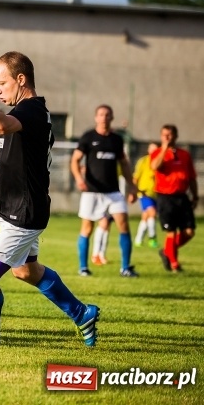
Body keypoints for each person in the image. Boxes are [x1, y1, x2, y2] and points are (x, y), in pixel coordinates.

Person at [0, 51, 99, 347]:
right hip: (18, 209)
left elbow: (1, 125)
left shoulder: (30, 110)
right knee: (26, 270)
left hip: (24, 213)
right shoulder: (25, 113)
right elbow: (24, 157)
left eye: (1, 83)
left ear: (21, 79)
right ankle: (83, 314)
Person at [70, 105, 139, 278]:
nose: (104, 118)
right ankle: (83, 267)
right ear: (96, 118)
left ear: (112, 117)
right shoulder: (88, 137)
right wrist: (79, 179)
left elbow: (124, 164)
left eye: (107, 115)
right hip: (92, 192)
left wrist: (132, 186)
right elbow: (75, 160)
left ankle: (125, 268)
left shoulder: (117, 140)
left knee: (124, 226)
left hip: (113, 192)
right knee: (87, 228)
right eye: (101, 115)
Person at [151, 125, 198, 273]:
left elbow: (191, 177)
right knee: (170, 231)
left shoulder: (184, 154)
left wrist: (195, 195)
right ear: (160, 136)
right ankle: (174, 263)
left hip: (182, 197)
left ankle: (166, 251)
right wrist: (164, 149)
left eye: (170, 135)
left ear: (176, 136)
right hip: (166, 197)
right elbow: (155, 167)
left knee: (189, 232)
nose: (167, 137)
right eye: (164, 135)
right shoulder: (158, 153)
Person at [133, 143, 159, 248]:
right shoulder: (143, 161)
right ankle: (152, 237)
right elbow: (136, 177)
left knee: (145, 216)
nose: (153, 151)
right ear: (148, 150)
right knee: (152, 213)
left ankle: (138, 239)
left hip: (156, 194)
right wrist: (134, 190)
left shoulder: (161, 162)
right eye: (152, 149)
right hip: (144, 193)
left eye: (156, 149)